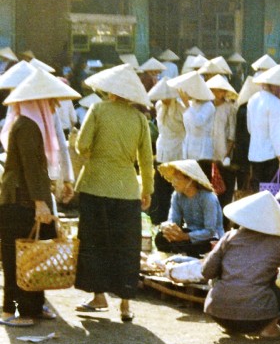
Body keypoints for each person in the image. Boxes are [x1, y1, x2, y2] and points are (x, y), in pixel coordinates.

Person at [74, 64, 154, 322]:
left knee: (95, 243)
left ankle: (98, 298)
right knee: (126, 247)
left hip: (94, 185)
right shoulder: (140, 119)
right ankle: (126, 304)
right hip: (128, 190)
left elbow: (81, 145)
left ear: (109, 91)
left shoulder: (98, 109)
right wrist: (148, 189)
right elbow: (146, 161)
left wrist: (95, 157)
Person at [0, 69, 79, 326]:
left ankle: (32, 307)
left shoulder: (30, 123)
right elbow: (31, 168)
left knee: (34, 254)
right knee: (17, 255)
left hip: (26, 197)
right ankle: (11, 310)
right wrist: (40, 203)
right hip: (19, 199)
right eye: (52, 99)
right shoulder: (27, 126)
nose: (56, 104)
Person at [202, 190, 280, 338]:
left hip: (218, 313)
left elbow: (207, 271)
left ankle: (232, 327)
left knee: (219, 275)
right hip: (258, 317)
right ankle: (270, 328)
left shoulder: (229, 237)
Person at [154, 160, 224, 257]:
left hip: (209, 237)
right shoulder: (177, 196)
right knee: (160, 238)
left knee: (197, 245)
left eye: (178, 179)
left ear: (190, 180)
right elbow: (174, 220)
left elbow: (210, 230)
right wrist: (169, 228)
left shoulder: (208, 198)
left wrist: (185, 236)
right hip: (190, 233)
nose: (173, 182)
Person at [248, 66, 280, 184]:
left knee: (260, 196)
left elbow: (250, 128)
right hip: (272, 158)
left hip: (255, 155)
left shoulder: (253, 99)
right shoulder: (275, 103)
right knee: (273, 197)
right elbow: (276, 134)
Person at [148, 79, 186, 224]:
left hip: (177, 149)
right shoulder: (158, 105)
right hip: (163, 148)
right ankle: (159, 218)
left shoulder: (180, 107)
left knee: (174, 186)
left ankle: (175, 219)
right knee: (160, 186)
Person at [207, 74, 238, 207]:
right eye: (215, 90)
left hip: (223, 153)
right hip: (208, 152)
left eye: (221, 90)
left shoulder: (230, 108)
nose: (219, 93)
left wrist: (226, 153)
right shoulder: (206, 107)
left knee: (225, 187)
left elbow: (232, 134)